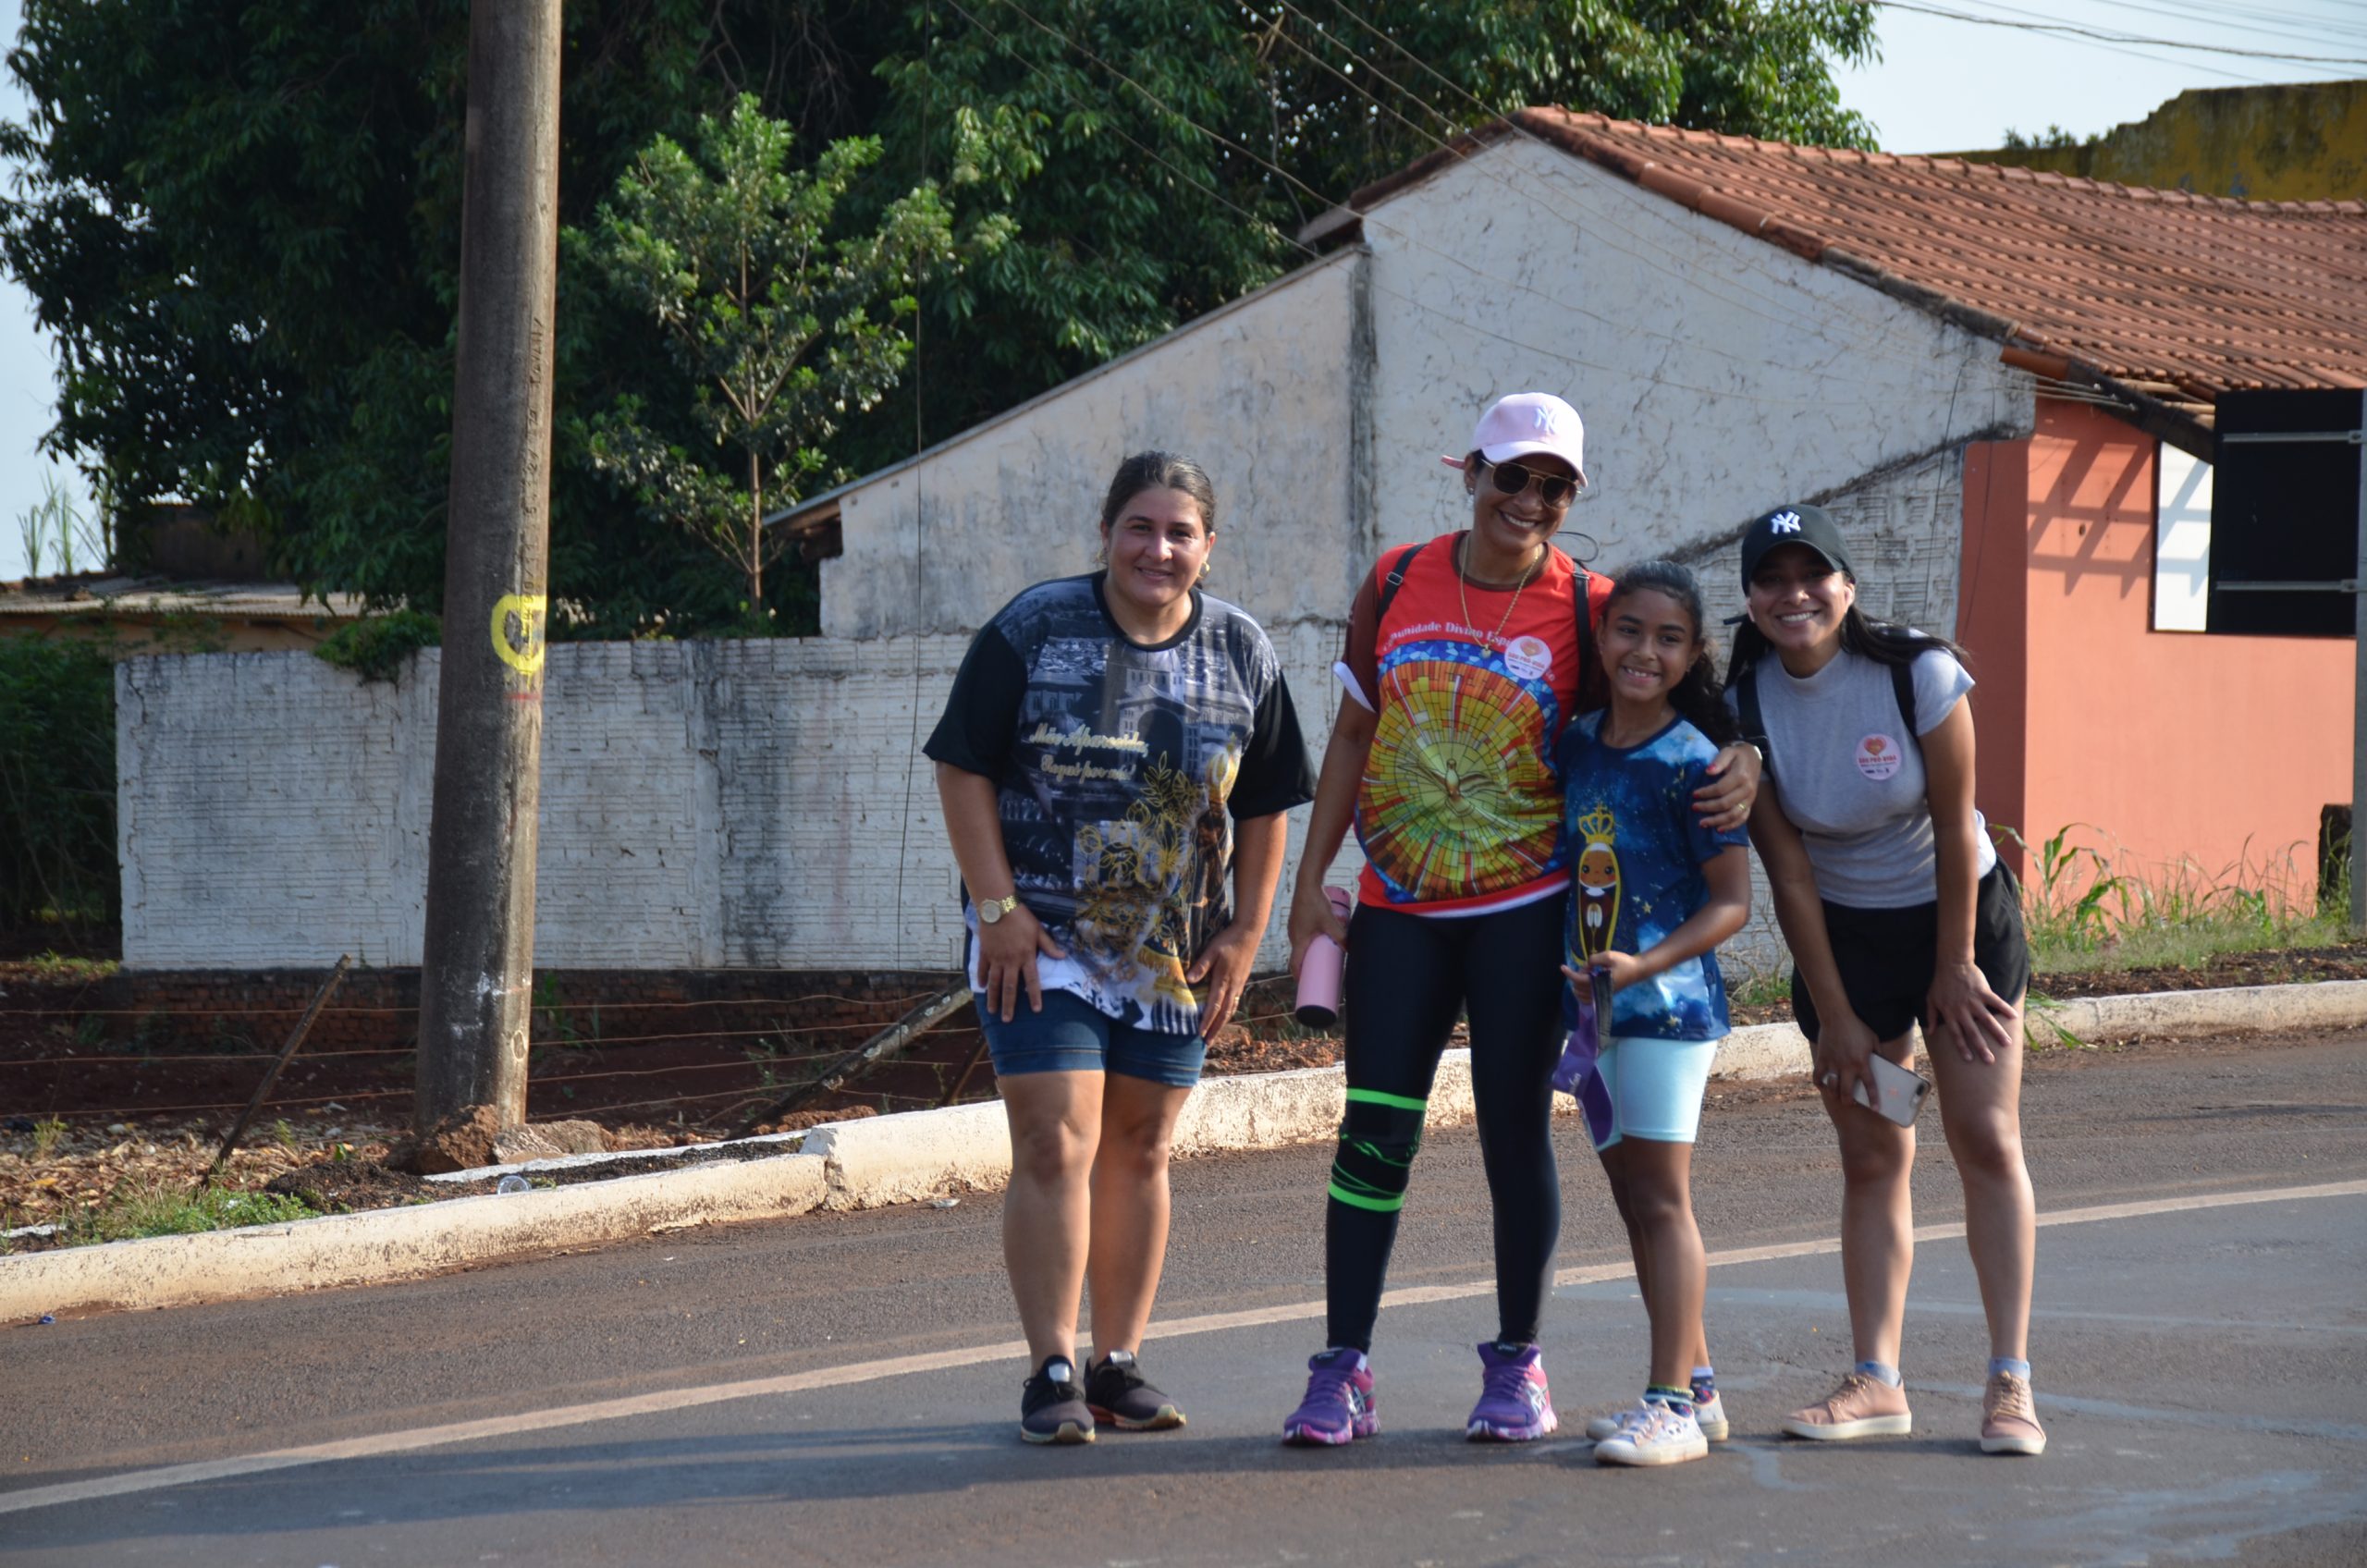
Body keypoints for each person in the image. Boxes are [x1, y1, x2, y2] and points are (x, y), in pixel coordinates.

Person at [1278, 393, 1760, 1446]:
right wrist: (1310, 881)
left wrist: (1745, 753)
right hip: (1401, 905)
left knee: (1511, 1135)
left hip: (1524, 910)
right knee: (1373, 1131)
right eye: (1512, 476)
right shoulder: (1397, 578)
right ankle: (1342, 1369)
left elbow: (1666, 689)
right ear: (1472, 473)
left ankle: (1516, 1367)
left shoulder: (1590, 604)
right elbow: (1354, 735)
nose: (1530, 500)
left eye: (1554, 486)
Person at [926, 451, 1315, 1445]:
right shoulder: (1032, 628)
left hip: (1171, 953)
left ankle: (1117, 1364)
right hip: (1040, 937)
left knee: (1141, 1148)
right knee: (1058, 1138)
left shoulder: (1241, 651)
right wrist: (996, 905)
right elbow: (962, 767)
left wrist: (1245, 929)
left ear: (1208, 547)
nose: (1158, 548)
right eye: (1139, 527)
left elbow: (1267, 802)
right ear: (1106, 532)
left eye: (1180, 532)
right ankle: (1050, 1368)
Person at [1726, 502, 2044, 1457]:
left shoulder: (1918, 672)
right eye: (1771, 580)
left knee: (1982, 1134)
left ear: (1847, 586)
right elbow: (1783, 868)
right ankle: (1876, 1378)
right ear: (1748, 601)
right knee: (1874, 1156)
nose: (1793, 595)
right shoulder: (1744, 702)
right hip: (1845, 938)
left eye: (1811, 575)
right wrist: (1834, 1014)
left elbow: (1957, 827)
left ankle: (2010, 1384)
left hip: (1960, 915)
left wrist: (1953, 966)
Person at [1553, 561, 1752, 1467]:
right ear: (1600, 639)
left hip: (1668, 1013)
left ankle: (1669, 1402)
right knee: (1634, 1202)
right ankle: (1698, 1388)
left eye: (1667, 637)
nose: (1644, 650)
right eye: (1628, 629)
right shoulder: (1573, 744)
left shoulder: (1695, 765)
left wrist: (1643, 965)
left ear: (1692, 654)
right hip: (1589, 1019)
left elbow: (1730, 903)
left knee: (1664, 1201)